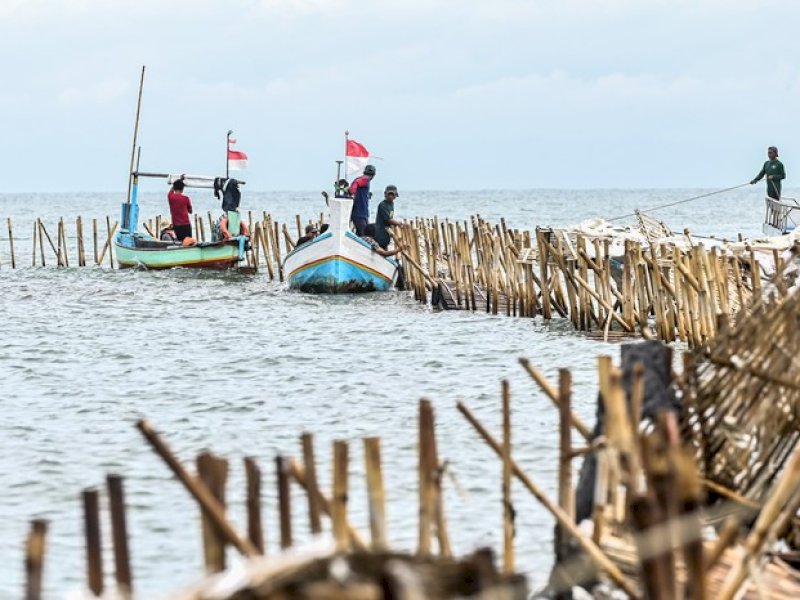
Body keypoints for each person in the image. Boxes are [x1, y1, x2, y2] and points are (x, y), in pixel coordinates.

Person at [374, 184, 406, 249]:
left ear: (395, 196)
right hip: (381, 232)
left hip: (387, 232)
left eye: (392, 194)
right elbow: (388, 219)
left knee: (385, 246)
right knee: (381, 247)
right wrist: (398, 224)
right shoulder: (382, 205)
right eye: (389, 194)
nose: (391, 196)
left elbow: (390, 217)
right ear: (385, 194)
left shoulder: (391, 204)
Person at [348, 164, 376, 236]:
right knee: (364, 235)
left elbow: (356, 187)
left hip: (361, 213)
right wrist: (353, 193)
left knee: (360, 234)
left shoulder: (363, 179)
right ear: (374, 175)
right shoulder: (365, 179)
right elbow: (356, 184)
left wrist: (367, 195)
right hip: (359, 214)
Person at [167, 176, 193, 241]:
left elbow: (171, 189)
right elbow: (190, 211)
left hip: (176, 225)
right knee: (189, 242)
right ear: (183, 189)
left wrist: (179, 180)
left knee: (180, 242)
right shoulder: (186, 198)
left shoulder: (170, 197)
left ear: (174, 188)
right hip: (186, 224)